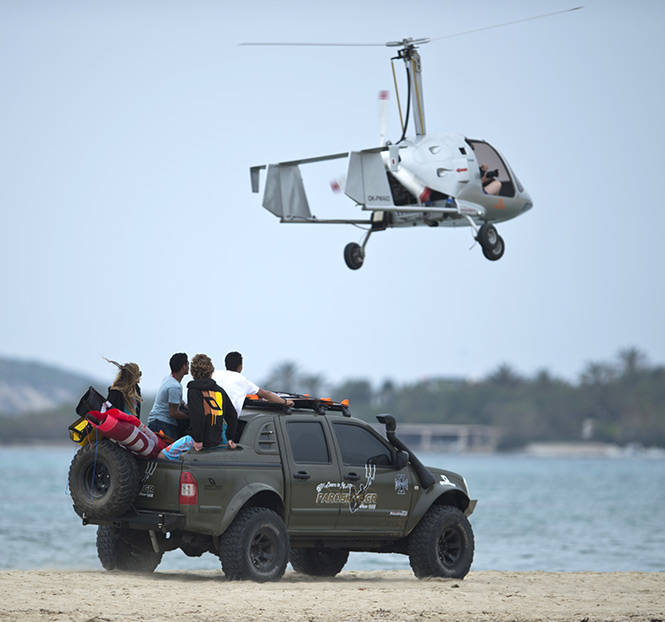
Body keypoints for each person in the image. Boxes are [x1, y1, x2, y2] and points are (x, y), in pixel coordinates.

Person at [159, 353, 236, 461]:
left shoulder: (194, 390)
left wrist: (199, 440)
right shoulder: (220, 391)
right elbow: (232, 414)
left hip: (197, 439)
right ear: (210, 370)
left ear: (193, 371)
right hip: (217, 440)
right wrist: (230, 438)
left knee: (161, 456)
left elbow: (197, 415)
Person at [213, 351, 294, 417]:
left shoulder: (214, 375)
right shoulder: (243, 382)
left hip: (210, 418)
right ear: (240, 367)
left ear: (225, 364)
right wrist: (286, 402)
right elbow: (266, 394)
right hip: (227, 423)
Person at [148, 353, 189, 440]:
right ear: (183, 366)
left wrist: (182, 403)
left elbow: (171, 399)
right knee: (168, 452)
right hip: (163, 424)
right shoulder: (175, 386)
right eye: (187, 363)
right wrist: (191, 416)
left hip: (156, 421)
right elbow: (173, 413)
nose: (189, 365)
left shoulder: (168, 379)